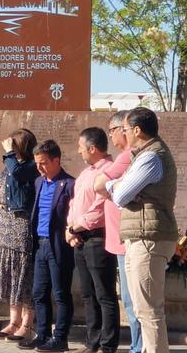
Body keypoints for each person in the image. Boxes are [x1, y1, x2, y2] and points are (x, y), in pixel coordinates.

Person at [105, 107, 178, 353]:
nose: (123, 134)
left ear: (137, 130)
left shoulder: (150, 157)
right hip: (141, 237)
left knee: (149, 311)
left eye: (124, 129)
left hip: (148, 239)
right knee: (141, 308)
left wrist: (116, 186)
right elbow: (123, 189)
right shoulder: (144, 154)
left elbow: (121, 195)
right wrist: (120, 185)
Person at [18, 139, 75, 353]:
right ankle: (43, 334)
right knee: (39, 293)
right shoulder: (39, 182)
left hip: (59, 245)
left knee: (60, 294)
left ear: (56, 160)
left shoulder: (70, 184)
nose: (39, 168)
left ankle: (61, 338)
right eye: (37, 164)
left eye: (43, 163)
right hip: (40, 244)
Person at [67, 127, 119, 353]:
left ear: (92, 148)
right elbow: (74, 203)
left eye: (81, 148)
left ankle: (108, 345)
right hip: (79, 239)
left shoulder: (109, 171)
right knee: (88, 294)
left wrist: (75, 227)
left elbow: (99, 209)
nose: (79, 152)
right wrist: (69, 231)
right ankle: (93, 342)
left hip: (98, 239)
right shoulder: (86, 173)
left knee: (104, 295)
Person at [94, 110, 142, 353]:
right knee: (130, 299)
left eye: (113, 130)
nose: (112, 135)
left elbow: (99, 184)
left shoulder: (127, 156)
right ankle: (137, 345)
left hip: (127, 241)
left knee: (133, 301)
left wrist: (109, 186)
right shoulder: (124, 157)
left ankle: (137, 347)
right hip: (117, 239)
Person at [0, 129, 39, 342]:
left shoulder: (30, 166)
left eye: (13, 144)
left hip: (19, 226)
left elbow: (18, 174)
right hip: (3, 226)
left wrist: (9, 153)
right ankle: (13, 321)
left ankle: (26, 324)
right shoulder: (9, 165)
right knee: (11, 277)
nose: (9, 147)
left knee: (23, 276)